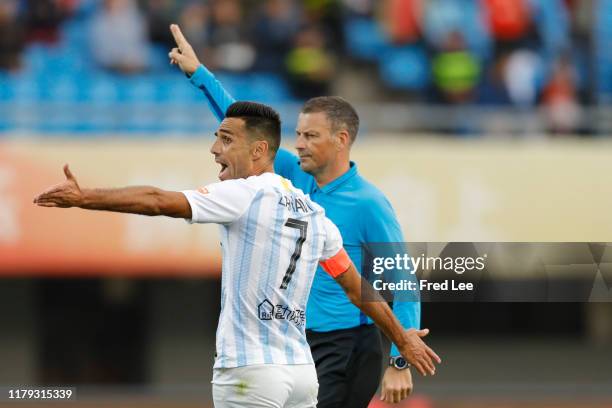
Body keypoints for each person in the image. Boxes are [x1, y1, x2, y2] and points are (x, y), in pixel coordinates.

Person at [33, 101, 440, 408]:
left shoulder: (243, 195)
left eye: (225, 140)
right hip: (301, 374)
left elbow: (158, 200)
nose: (214, 149)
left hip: (250, 370)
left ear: (260, 151)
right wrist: (403, 341)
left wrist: (84, 197)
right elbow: (357, 288)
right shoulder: (315, 214)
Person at [168, 25, 437, 406]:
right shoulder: (294, 176)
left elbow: (404, 280)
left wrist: (398, 359)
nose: (299, 143)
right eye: (298, 134)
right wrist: (199, 75)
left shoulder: (369, 203)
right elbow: (245, 132)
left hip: (346, 348)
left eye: (311, 136)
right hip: (296, 343)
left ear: (341, 140)